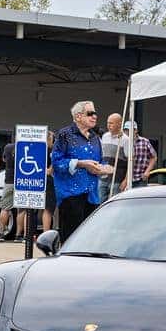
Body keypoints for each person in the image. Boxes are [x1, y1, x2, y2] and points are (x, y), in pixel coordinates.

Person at [52, 100, 111, 243]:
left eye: (95, 113)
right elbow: (57, 163)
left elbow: (99, 162)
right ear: (78, 116)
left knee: (88, 240)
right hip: (71, 195)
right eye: (90, 113)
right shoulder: (65, 134)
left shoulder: (96, 138)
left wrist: (104, 168)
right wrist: (81, 164)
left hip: (92, 196)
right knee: (70, 240)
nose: (95, 116)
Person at [0, 138, 24, 242]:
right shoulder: (26, 148)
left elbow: (4, 159)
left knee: (5, 208)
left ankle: (1, 234)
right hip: (22, 180)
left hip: (9, 180)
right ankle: (18, 236)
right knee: (21, 210)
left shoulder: (8, 147)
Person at [99, 113, 130, 200]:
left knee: (114, 202)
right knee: (100, 202)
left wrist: (125, 180)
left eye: (111, 123)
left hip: (117, 179)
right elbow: (102, 157)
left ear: (119, 124)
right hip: (103, 177)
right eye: (108, 123)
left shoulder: (125, 140)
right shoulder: (105, 136)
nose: (108, 125)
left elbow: (131, 162)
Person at [124, 121, 157, 188]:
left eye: (129, 130)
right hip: (124, 179)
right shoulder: (122, 141)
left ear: (135, 130)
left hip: (140, 178)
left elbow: (154, 157)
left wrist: (147, 171)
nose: (127, 132)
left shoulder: (145, 142)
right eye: (125, 130)